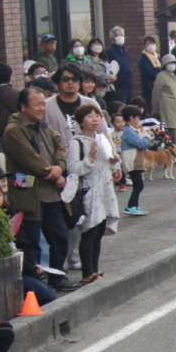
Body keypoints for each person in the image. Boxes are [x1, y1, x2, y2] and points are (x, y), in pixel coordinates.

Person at [4, 87, 79, 292]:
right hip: (30, 195)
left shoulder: (42, 125)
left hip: (51, 192)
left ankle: (57, 275)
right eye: (36, 104)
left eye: (43, 103)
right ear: (23, 106)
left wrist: (60, 166)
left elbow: (59, 145)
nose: (41, 108)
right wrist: (54, 172)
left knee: (60, 235)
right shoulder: (14, 130)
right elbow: (31, 160)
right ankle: (35, 285)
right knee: (32, 243)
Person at [66, 104, 120, 284]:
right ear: (81, 121)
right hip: (89, 191)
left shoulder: (102, 137)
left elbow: (110, 159)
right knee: (89, 231)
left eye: (97, 116)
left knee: (98, 232)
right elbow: (73, 169)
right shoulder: (77, 142)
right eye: (90, 116)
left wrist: (115, 165)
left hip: (105, 189)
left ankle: (95, 269)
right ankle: (87, 271)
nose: (95, 119)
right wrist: (89, 159)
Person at [119, 105, 152, 216]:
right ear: (132, 118)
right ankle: (132, 206)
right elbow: (140, 144)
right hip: (132, 162)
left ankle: (133, 206)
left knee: (138, 184)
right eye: (138, 118)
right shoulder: (129, 131)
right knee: (139, 184)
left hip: (134, 161)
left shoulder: (131, 130)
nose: (139, 120)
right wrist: (147, 138)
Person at [153, 54, 176, 155]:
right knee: (170, 131)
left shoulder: (173, 76)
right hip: (167, 107)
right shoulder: (161, 76)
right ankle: (171, 155)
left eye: (174, 63)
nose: (172, 65)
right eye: (169, 63)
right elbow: (156, 93)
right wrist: (155, 109)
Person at [106, 26, 134, 105]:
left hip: (128, 86)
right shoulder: (110, 51)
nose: (120, 37)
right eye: (117, 35)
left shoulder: (125, 51)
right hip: (118, 87)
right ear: (112, 39)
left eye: (121, 35)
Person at [138, 36, 162, 102]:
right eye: (148, 44)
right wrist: (159, 73)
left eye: (152, 44)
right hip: (149, 87)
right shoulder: (143, 58)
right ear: (144, 46)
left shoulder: (157, 57)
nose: (151, 46)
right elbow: (148, 71)